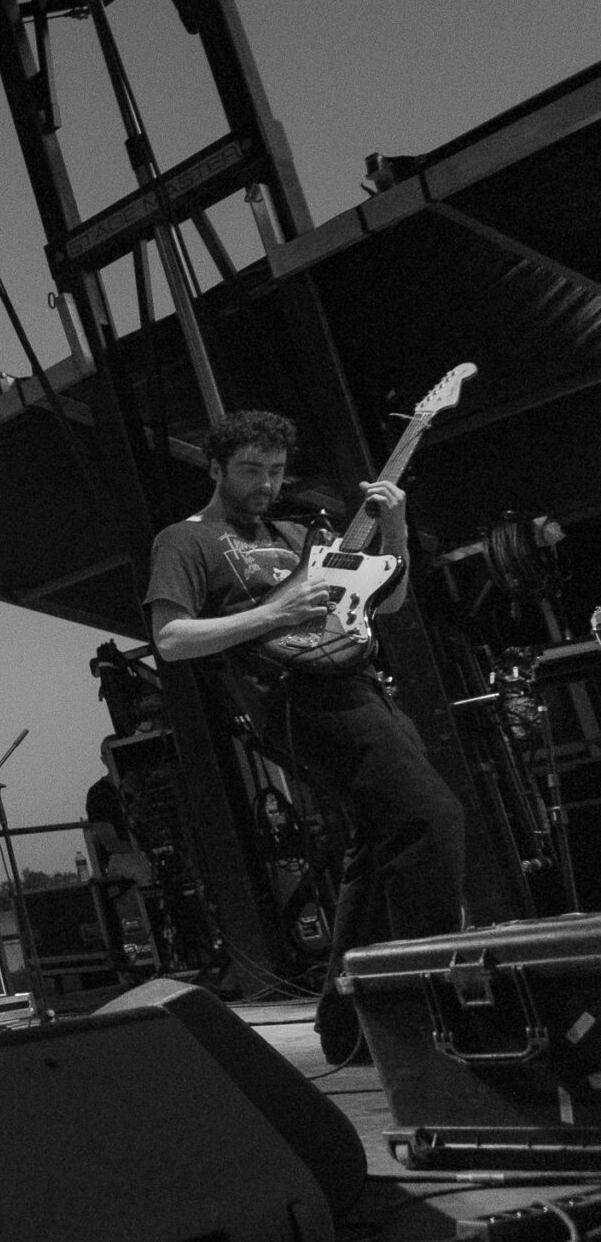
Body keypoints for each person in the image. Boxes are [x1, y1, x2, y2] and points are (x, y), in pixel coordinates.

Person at [145, 407, 467, 1062]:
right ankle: (426, 1003)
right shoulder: (185, 540)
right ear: (214, 468)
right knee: (432, 819)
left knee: (378, 845)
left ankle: (348, 1026)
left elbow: (388, 600)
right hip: (295, 697)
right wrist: (275, 610)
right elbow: (171, 639)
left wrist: (396, 531)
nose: (265, 483)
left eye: (275, 470)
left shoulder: (301, 533)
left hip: (364, 689)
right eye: (250, 470)